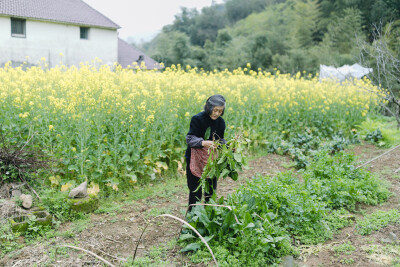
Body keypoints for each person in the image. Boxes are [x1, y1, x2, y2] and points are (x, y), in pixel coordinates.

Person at [185, 94, 226, 211]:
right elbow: (189, 139)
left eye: (220, 111)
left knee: (210, 191)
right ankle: (192, 219)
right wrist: (203, 143)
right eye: (215, 110)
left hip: (211, 161)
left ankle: (208, 217)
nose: (217, 113)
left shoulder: (221, 123)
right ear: (209, 107)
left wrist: (228, 145)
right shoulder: (197, 119)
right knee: (195, 192)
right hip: (194, 160)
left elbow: (220, 140)